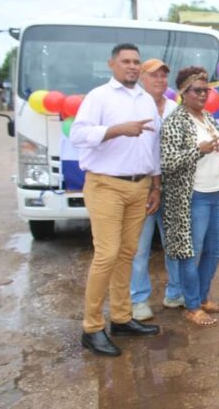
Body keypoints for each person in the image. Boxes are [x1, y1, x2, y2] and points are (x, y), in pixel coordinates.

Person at [70, 43, 161, 356]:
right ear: (112, 64)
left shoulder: (147, 100)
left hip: (139, 187)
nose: (132, 67)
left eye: (136, 62)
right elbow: (78, 135)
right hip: (106, 185)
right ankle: (92, 327)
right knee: (107, 255)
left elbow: (153, 148)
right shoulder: (99, 96)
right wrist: (115, 130)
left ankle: (121, 318)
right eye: (126, 62)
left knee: (127, 254)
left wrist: (155, 186)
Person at [161, 67, 219, 327]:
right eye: (197, 90)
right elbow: (167, 162)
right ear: (183, 92)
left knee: (216, 249)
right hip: (193, 196)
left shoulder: (208, 117)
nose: (203, 94)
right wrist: (197, 151)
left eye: (206, 90)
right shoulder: (175, 121)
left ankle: (201, 298)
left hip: (216, 193)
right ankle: (191, 305)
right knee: (191, 252)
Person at [130, 58, 183, 321]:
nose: (160, 80)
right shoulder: (134, 106)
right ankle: (138, 299)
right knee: (139, 248)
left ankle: (174, 293)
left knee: (173, 244)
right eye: (154, 75)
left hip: (172, 187)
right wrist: (153, 184)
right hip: (144, 186)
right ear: (141, 77)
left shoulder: (175, 108)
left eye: (164, 76)